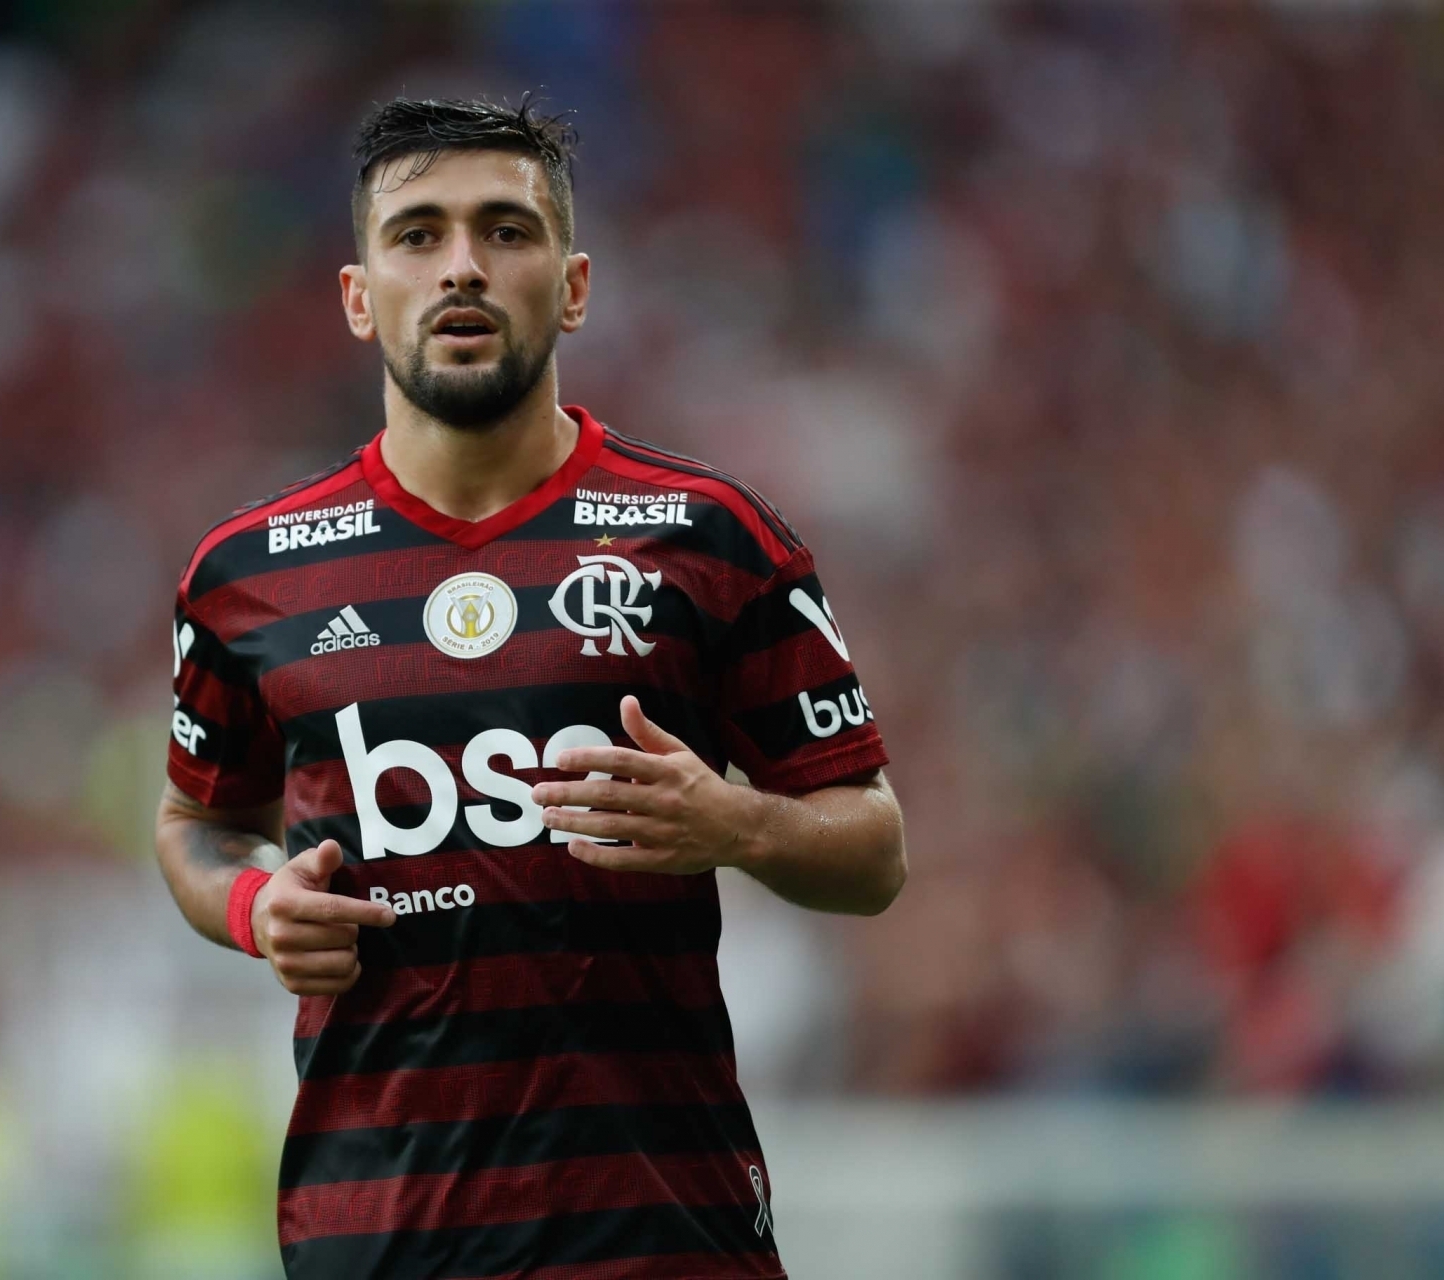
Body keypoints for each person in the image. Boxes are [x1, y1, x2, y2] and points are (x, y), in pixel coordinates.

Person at [156, 95, 905, 1280]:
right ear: (359, 296)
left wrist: (738, 824)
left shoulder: (711, 539)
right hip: (378, 1240)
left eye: (506, 230)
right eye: (418, 235)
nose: (462, 265)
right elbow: (197, 822)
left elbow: (874, 850)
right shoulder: (249, 575)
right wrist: (255, 905)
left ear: (573, 285)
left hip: (658, 1236)